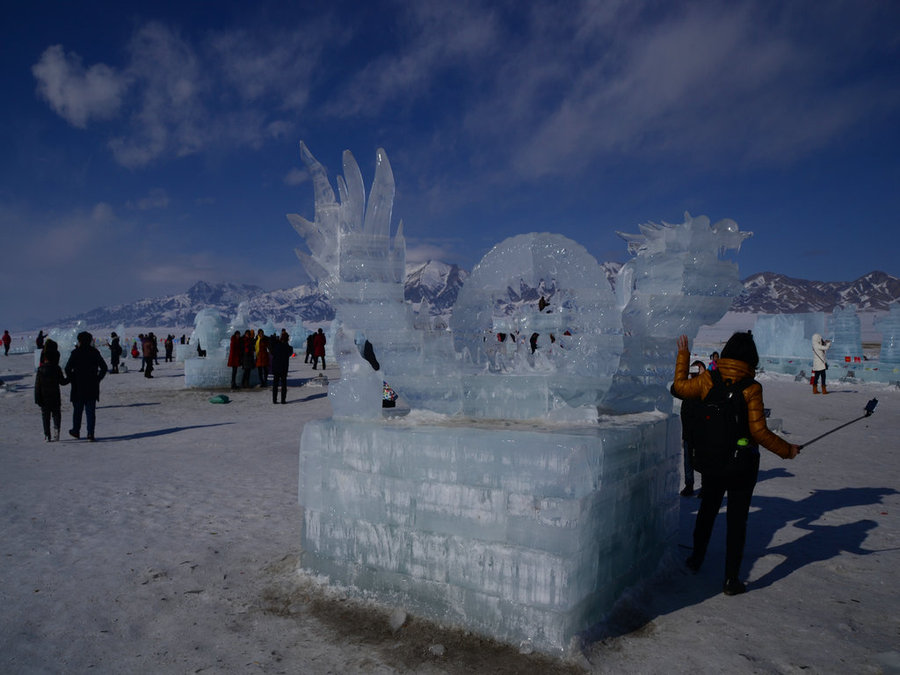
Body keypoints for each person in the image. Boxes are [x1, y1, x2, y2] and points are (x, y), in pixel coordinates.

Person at [672, 331, 800, 596]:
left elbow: (679, 389)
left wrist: (683, 355)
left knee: (707, 511)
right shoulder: (751, 387)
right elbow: (759, 432)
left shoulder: (708, 379)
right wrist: (787, 450)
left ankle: (696, 559)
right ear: (752, 357)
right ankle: (731, 579)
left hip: (712, 461)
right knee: (737, 521)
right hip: (742, 465)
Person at [65, 331, 108, 441]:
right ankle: (90, 433)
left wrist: (72, 378)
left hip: (78, 386)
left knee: (78, 411)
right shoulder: (94, 352)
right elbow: (104, 367)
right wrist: (97, 379)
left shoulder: (75, 353)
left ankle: (76, 431)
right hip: (92, 386)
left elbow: (67, 368)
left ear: (79, 341)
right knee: (90, 411)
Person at [672, 359, 706, 497]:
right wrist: (683, 376)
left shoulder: (705, 387)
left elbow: (716, 387)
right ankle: (689, 485)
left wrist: (705, 375)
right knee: (688, 460)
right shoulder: (687, 388)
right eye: (693, 371)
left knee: (703, 459)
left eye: (697, 371)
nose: (694, 374)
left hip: (703, 432)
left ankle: (705, 487)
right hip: (688, 431)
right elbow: (674, 389)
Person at [34, 339, 69, 441]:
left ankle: (47, 435)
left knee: (45, 416)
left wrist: (37, 397)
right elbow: (62, 382)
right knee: (56, 414)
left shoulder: (41, 369)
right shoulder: (57, 368)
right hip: (55, 394)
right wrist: (71, 377)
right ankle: (56, 430)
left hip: (44, 396)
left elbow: (37, 385)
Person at [270, 332, 293, 404]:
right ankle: (283, 400)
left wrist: (275, 341)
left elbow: (272, 352)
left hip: (276, 367)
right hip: (284, 368)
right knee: (283, 385)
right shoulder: (288, 347)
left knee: (275, 384)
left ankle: (274, 400)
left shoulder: (276, 346)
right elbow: (290, 353)